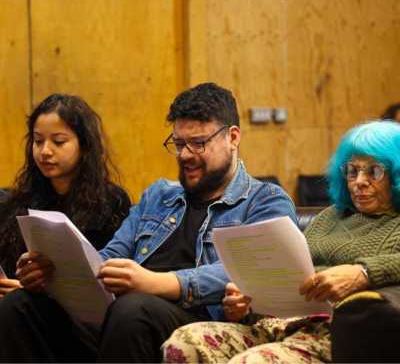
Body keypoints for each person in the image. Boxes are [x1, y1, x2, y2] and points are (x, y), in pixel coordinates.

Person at [0, 82, 296, 363]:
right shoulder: (159, 195)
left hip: (197, 321)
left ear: (232, 137)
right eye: (178, 143)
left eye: (198, 143)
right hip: (120, 316)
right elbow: (109, 257)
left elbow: (257, 271)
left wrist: (159, 283)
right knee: (21, 305)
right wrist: (55, 277)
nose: (185, 155)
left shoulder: (264, 201)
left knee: (133, 308)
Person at [163, 120, 400, 364]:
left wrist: (364, 272)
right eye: (352, 171)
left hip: (334, 335)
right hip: (277, 324)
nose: (359, 181)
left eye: (374, 171)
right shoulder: (330, 217)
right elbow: (290, 275)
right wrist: (246, 302)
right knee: (185, 342)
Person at [0, 94, 131, 298]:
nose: (45, 151)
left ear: (84, 146)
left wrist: (27, 292)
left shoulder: (111, 201)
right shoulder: (20, 199)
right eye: (38, 141)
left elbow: (102, 280)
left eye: (58, 142)